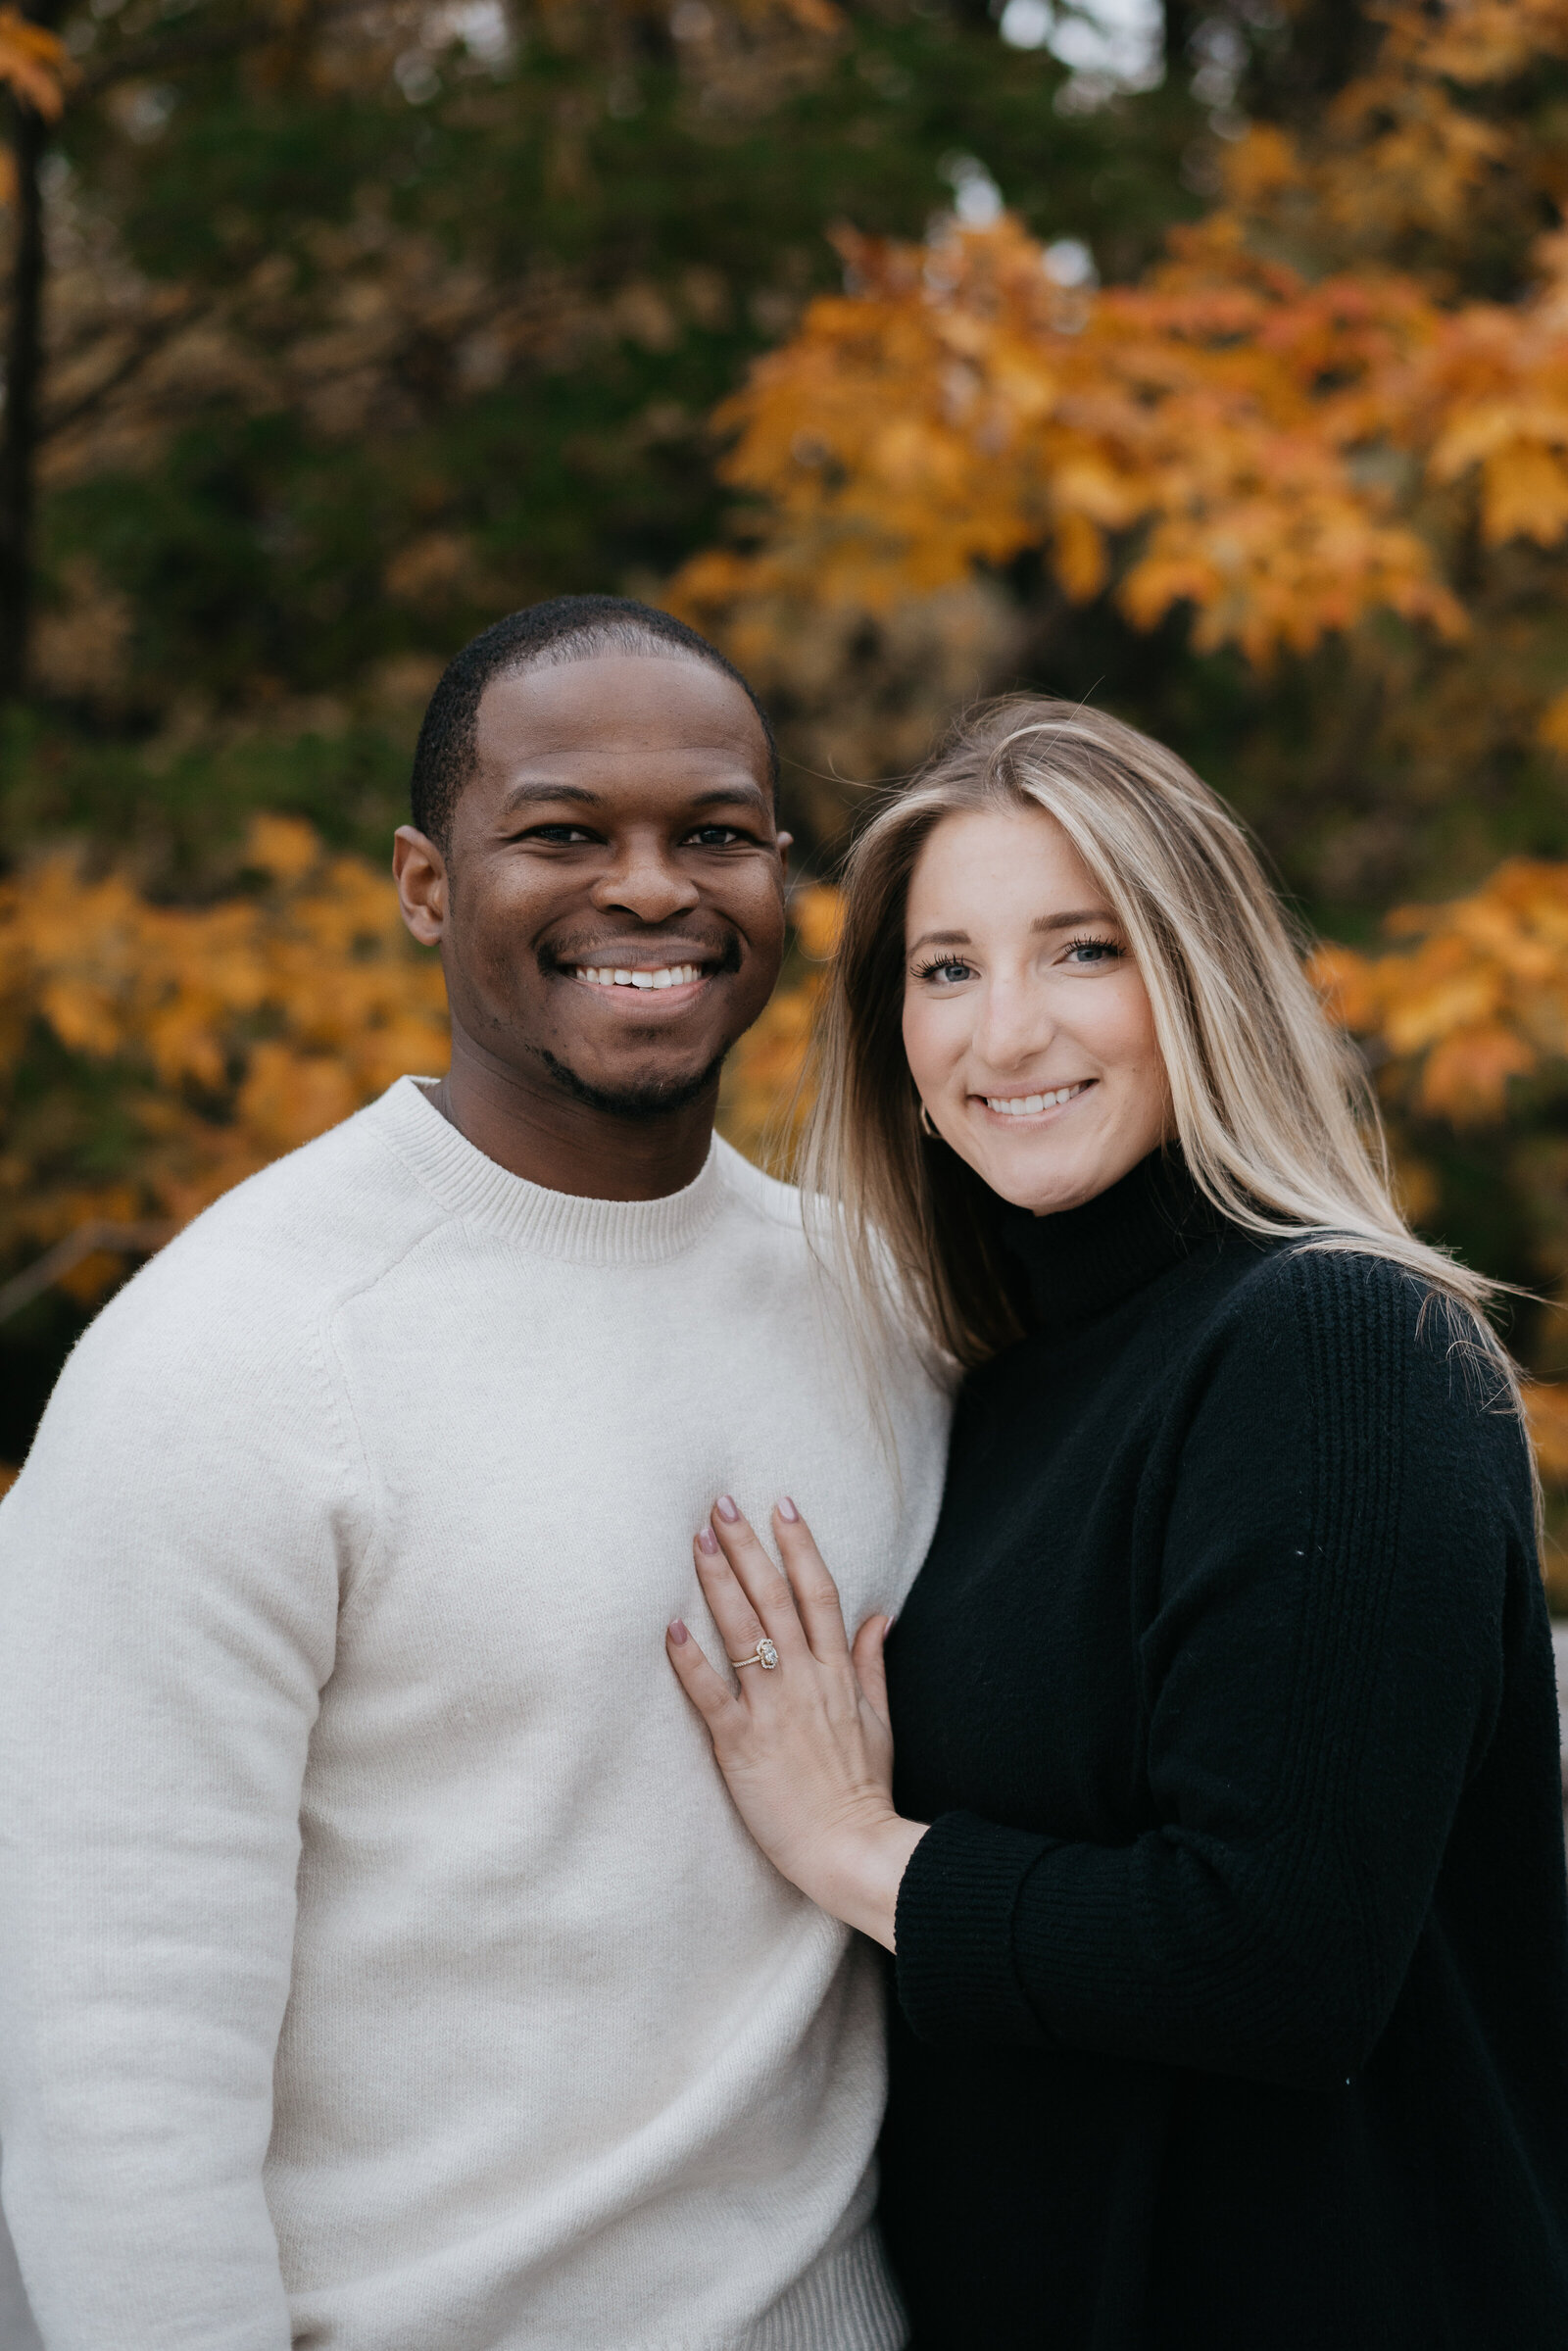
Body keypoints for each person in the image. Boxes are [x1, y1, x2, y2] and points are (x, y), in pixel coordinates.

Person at [0, 596, 949, 2350]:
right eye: (565, 834)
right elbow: (112, 2068)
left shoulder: (881, 1306)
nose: (653, 888)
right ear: (428, 888)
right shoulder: (234, 1358)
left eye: (716, 836)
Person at [666, 698, 1568, 2348]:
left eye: (1080, 951)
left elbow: (1277, 1958)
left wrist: (858, 1851)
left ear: (1201, 980)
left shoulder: (1342, 1348)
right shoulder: (999, 1390)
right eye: (947, 969)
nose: (1003, 1034)